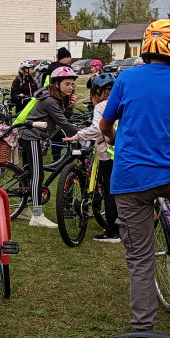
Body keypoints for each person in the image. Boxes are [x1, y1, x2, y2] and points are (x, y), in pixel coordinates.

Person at [99, 19, 170, 332]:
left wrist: (111, 139)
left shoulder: (127, 77)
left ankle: (143, 332)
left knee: (140, 259)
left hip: (131, 181)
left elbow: (106, 123)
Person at [17, 66, 80, 228]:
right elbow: (63, 123)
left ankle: (23, 208)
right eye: (67, 84)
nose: (70, 87)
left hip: (31, 135)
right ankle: (37, 215)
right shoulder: (51, 100)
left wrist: (70, 107)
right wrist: (84, 133)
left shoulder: (55, 97)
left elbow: (63, 118)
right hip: (32, 136)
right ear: (57, 84)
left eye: (72, 84)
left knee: (29, 172)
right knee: (38, 173)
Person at [63, 73, 118, 242]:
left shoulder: (101, 106)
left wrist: (77, 135)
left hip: (108, 154)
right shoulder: (122, 102)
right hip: (126, 153)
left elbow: (97, 129)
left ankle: (113, 231)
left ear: (99, 91)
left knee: (110, 192)